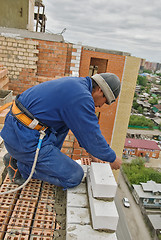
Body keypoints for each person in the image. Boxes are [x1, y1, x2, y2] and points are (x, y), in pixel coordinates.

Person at [0, 73, 122, 189]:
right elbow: (92, 135)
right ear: (100, 90)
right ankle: (19, 166)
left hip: (17, 132)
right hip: (23, 138)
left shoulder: (77, 85)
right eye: (105, 101)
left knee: (64, 124)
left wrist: (92, 154)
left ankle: (20, 157)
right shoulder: (82, 98)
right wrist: (112, 158)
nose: (101, 106)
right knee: (74, 176)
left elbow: (82, 129)